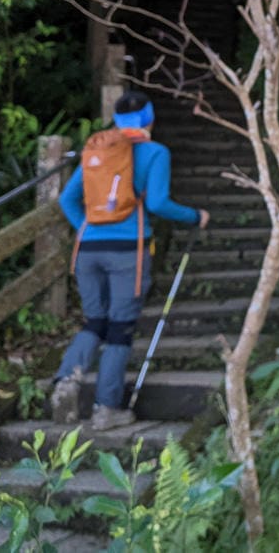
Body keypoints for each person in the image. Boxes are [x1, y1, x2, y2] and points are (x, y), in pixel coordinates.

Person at [50, 91, 209, 430]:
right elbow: (158, 204)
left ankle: (67, 378)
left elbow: (68, 199)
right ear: (150, 119)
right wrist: (195, 215)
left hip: (88, 250)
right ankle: (106, 409)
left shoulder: (98, 151)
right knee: (120, 329)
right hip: (127, 251)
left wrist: (88, 229)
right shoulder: (155, 153)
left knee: (95, 321)